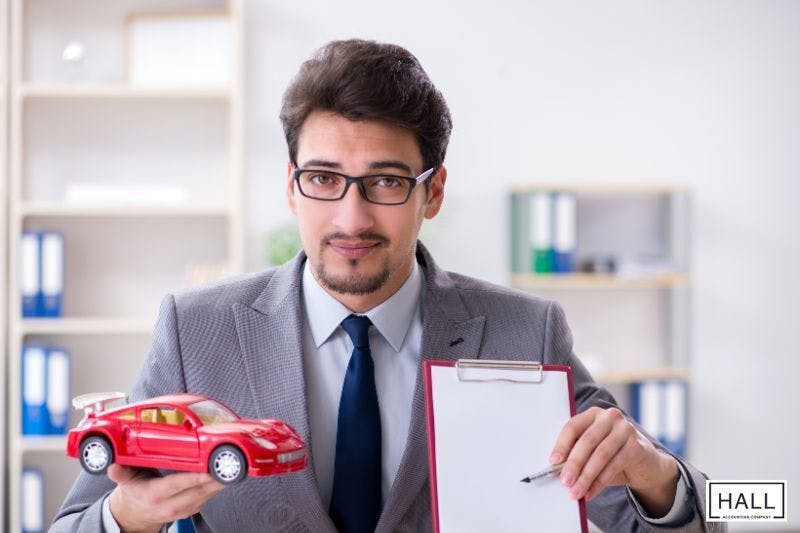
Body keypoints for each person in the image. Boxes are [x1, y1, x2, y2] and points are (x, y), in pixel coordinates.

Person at [53, 39, 722, 533]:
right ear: (292, 186)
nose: (351, 217)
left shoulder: (527, 331)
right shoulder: (194, 330)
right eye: (323, 178)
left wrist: (657, 474)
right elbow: (71, 524)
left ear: (432, 192)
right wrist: (125, 516)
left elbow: (698, 517)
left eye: (386, 181)